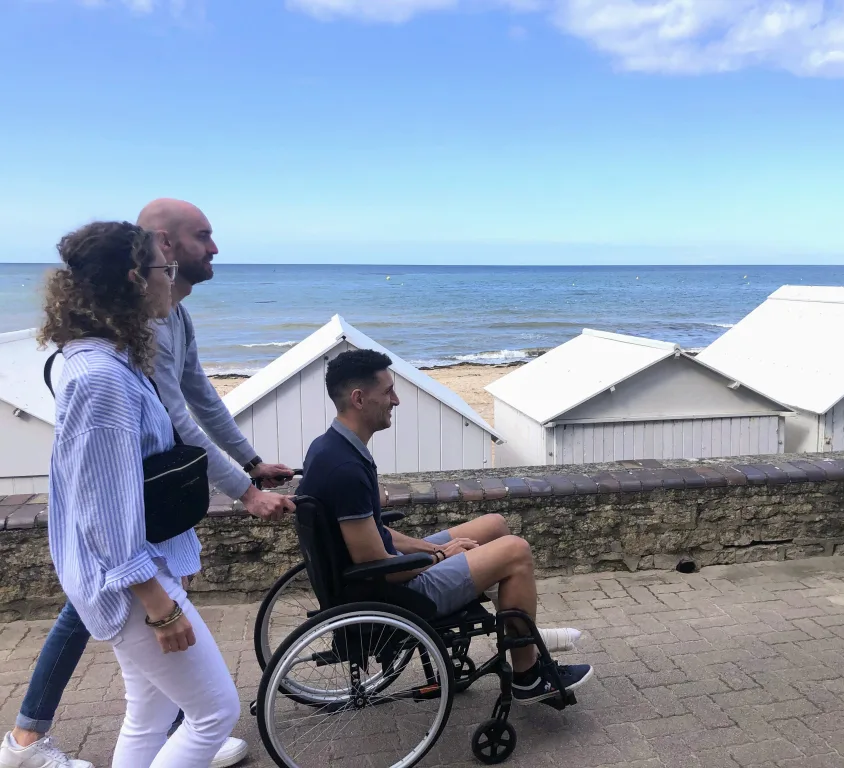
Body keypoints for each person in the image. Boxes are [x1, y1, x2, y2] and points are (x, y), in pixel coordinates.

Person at [0, 200, 293, 768]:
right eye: (164, 268)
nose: (173, 277)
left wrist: (249, 464)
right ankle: (26, 739)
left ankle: (30, 737)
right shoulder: (103, 378)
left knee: (149, 712)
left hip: (148, 563)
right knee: (212, 713)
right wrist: (158, 602)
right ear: (138, 277)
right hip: (135, 577)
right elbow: (102, 509)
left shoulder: (122, 356)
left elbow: (194, 401)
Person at [298, 349, 594, 704]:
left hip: (378, 572)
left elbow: (371, 533)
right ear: (359, 399)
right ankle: (528, 676)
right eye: (388, 391)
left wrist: (426, 547)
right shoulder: (345, 468)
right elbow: (377, 567)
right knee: (515, 551)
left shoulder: (329, 447)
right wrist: (439, 556)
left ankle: (520, 630)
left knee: (495, 525)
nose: (396, 400)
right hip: (395, 594)